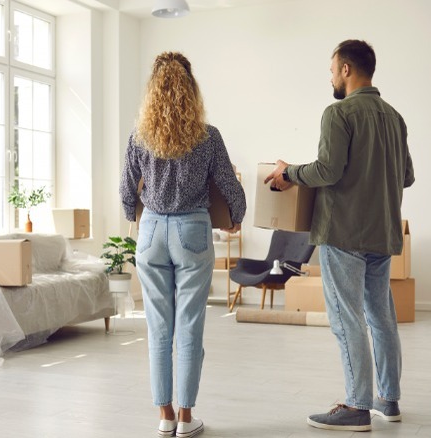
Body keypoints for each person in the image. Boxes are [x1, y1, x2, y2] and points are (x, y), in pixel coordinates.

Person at [265, 39, 415, 432]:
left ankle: (356, 405)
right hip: (383, 234)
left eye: (332, 69)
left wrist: (289, 173)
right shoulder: (395, 118)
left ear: (346, 70)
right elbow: (407, 177)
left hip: (343, 234)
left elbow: (328, 171)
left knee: (347, 319)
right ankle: (389, 398)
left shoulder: (338, 113)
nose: (330, 76)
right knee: (381, 318)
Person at [120, 52, 246, 438]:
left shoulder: (140, 137)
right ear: (191, 89)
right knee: (189, 328)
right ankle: (187, 419)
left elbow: (127, 193)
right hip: (192, 231)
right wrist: (236, 216)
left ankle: (165, 415)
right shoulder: (208, 136)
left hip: (152, 234)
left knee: (158, 330)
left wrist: (133, 214)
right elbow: (230, 188)